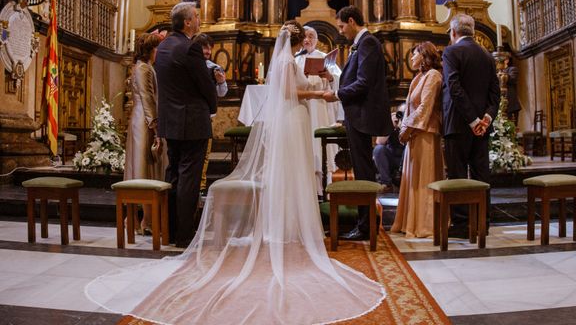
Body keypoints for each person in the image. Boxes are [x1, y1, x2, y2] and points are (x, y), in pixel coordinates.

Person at [85, 21, 385, 324]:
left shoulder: (290, 61)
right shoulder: (285, 61)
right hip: (294, 119)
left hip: (296, 118)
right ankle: (287, 223)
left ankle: (292, 221)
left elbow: (294, 86)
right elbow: (287, 91)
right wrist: (318, 95)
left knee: (298, 173)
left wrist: (314, 81)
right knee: (292, 172)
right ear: (298, 42)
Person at [324, 6, 393, 240]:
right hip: (358, 115)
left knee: (363, 172)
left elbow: (363, 82)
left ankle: (365, 227)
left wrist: (337, 94)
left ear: (352, 21)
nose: (341, 32)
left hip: (363, 116)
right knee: (362, 169)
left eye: (342, 26)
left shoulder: (368, 43)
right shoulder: (361, 45)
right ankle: (365, 223)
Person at [154, 2, 218, 247]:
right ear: (187, 22)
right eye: (197, 17)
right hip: (192, 121)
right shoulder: (190, 48)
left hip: (171, 121)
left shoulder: (164, 47)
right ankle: (184, 235)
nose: (199, 20)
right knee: (189, 178)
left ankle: (170, 230)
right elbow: (205, 85)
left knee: (174, 176)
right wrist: (212, 106)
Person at [442, 14, 500, 238]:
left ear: (454, 32)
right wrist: (486, 118)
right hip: (482, 127)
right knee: (481, 174)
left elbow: (454, 87)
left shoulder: (451, 52)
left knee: (456, 174)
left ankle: (461, 224)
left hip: (457, 123)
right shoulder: (487, 55)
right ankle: (482, 220)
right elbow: (495, 93)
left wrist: (472, 120)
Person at [391, 42, 444, 238]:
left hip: (426, 133)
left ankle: (426, 224)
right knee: (413, 179)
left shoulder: (433, 76)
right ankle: (410, 221)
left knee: (424, 179)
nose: (411, 58)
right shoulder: (418, 77)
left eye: (414, 55)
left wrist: (407, 129)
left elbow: (425, 107)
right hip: (414, 133)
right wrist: (404, 128)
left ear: (423, 56)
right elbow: (410, 108)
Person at [124, 32, 165, 235]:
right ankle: (143, 220)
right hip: (144, 122)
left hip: (143, 120)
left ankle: (138, 219)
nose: (159, 52)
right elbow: (148, 98)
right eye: (157, 48)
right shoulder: (143, 68)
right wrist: (155, 126)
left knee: (145, 169)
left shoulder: (146, 67)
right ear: (150, 50)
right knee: (143, 169)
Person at [294, 26, 341, 195]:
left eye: (311, 36)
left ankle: (325, 187)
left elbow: (339, 81)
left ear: (317, 40)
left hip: (321, 107)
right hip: (303, 106)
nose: (307, 39)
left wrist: (328, 76)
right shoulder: (295, 58)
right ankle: (306, 189)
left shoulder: (325, 58)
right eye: (305, 36)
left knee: (321, 144)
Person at [192, 33, 228, 194]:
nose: (207, 52)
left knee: (205, 153)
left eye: (209, 50)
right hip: (192, 112)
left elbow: (222, 93)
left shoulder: (214, 67)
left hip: (207, 116)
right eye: (204, 49)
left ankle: (201, 186)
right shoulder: (189, 65)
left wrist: (221, 82)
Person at [373, 106, 406, 193]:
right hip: (391, 157)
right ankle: (387, 184)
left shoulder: (410, 122)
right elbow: (379, 142)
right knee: (378, 149)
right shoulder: (390, 123)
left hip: (406, 158)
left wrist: (404, 127)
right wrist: (390, 125)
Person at [505, 55, 521, 125]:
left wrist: (501, 74)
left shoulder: (512, 69)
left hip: (511, 106)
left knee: (512, 129)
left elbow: (512, 79)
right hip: (501, 105)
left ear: (507, 60)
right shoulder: (496, 71)